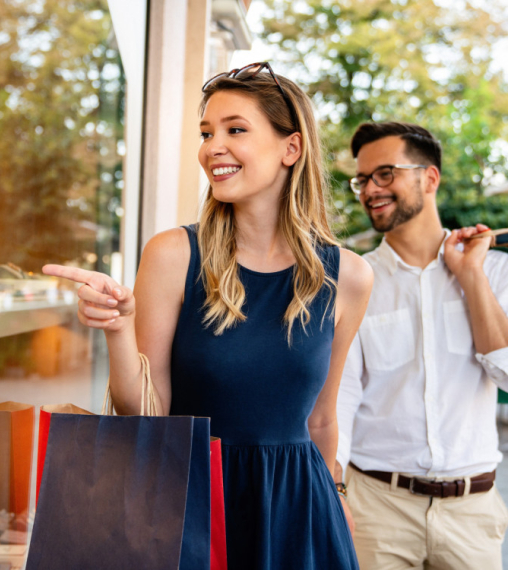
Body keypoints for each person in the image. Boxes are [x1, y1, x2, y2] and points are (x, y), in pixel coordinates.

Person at [43, 62, 372, 569]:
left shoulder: (348, 276)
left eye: (235, 129)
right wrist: (118, 328)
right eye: (206, 132)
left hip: (299, 514)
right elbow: (146, 415)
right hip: (191, 503)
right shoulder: (174, 255)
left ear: (292, 148)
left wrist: (335, 497)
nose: (211, 146)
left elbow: (322, 417)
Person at [335, 121, 508, 569]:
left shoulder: (494, 272)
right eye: (363, 179)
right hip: (377, 508)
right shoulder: (355, 280)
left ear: (429, 178)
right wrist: (334, 492)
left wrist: (470, 276)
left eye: (385, 173)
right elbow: (342, 396)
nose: (370, 189)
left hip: (472, 512)